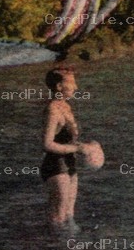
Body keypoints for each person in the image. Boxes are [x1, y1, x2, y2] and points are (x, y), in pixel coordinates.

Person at [40, 65, 97, 229]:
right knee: (59, 216)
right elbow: (46, 144)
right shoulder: (53, 110)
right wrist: (77, 149)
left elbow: (67, 140)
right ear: (59, 87)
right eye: (72, 83)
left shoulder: (65, 106)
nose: (76, 87)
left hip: (69, 164)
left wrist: (89, 146)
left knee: (70, 216)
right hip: (55, 167)